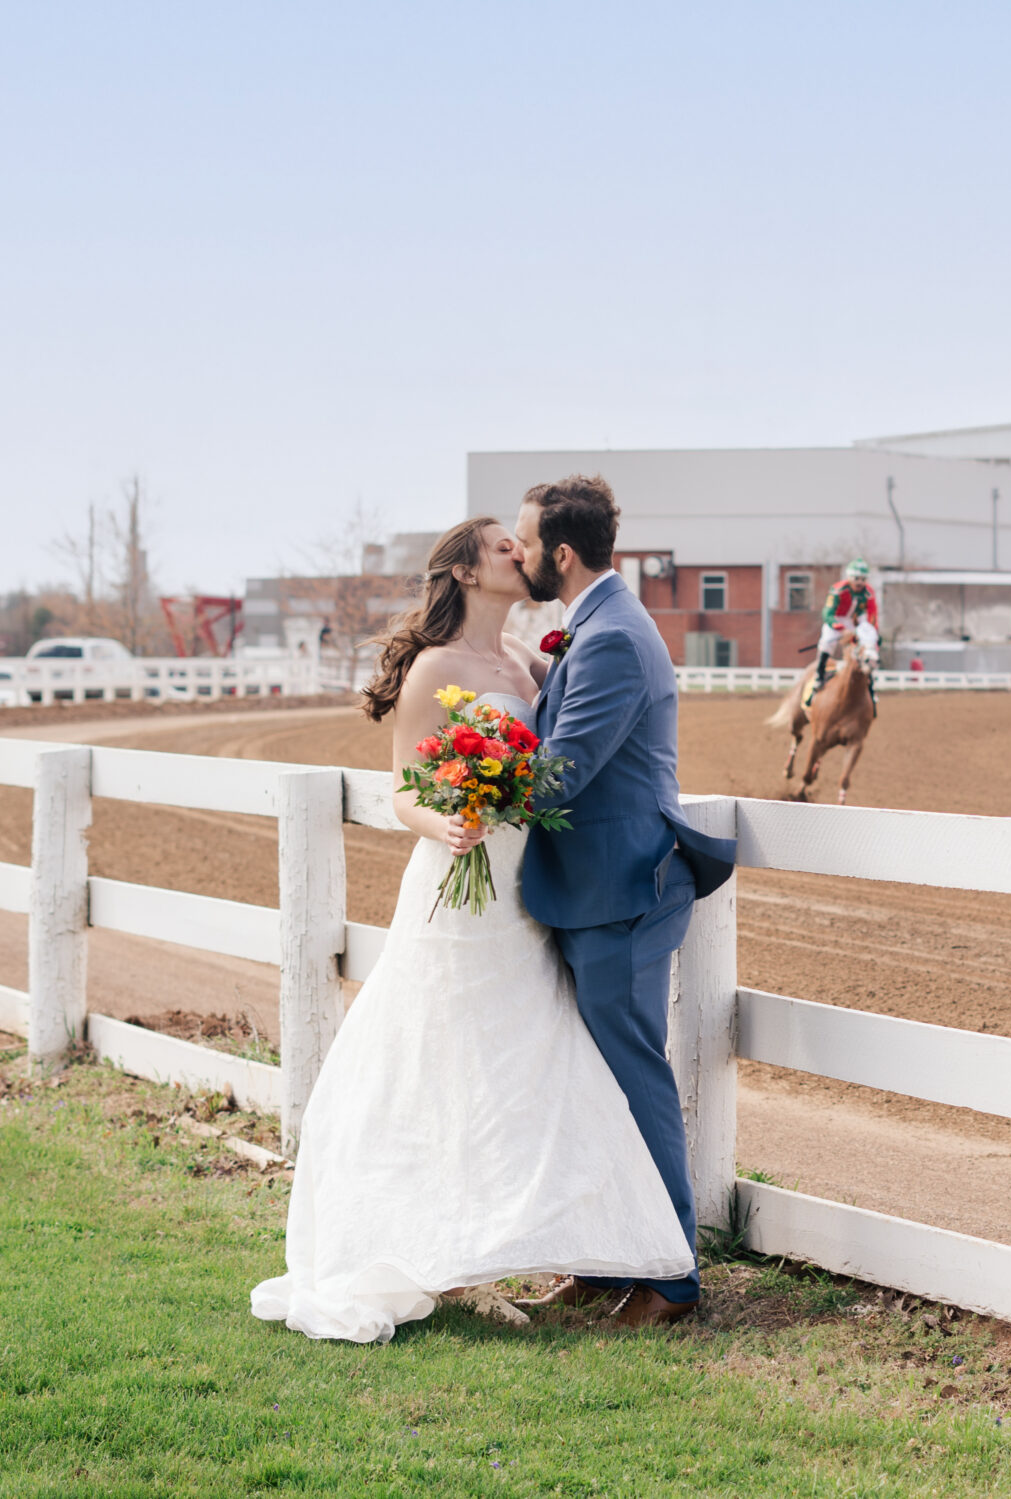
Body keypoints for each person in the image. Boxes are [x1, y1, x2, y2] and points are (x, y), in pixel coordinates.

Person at [251, 501, 729, 1343]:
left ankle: (606, 1256)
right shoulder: (437, 667)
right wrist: (448, 819)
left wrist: (499, 790)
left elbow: (562, 761)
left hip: (529, 887)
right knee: (439, 1057)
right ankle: (487, 1245)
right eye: (503, 546)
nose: (519, 553)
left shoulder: (524, 655)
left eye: (527, 540)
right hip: (464, 874)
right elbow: (406, 785)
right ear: (469, 571)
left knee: (543, 1066)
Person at [810, 558, 880, 696]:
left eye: (863, 579)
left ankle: (870, 679)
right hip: (837, 619)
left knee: (869, 636)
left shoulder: (868, 592)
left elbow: (872, 613)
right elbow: (827, 613)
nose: (860, 582)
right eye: (856, 578)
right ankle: (819, 674)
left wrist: (873, 634)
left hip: (855, 619)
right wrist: (841, 629)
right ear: (849, 577)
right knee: (826, 642)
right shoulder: (838, 589)